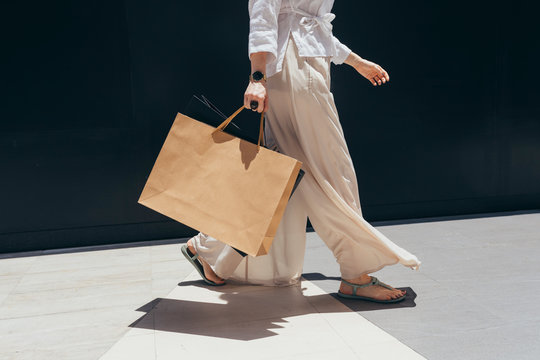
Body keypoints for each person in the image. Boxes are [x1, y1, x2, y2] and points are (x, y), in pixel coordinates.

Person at [181, 0, 421, 303]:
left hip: (307, 67)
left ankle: (208, 247)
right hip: (293, 71)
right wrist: (257, 78)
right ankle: (356, 275)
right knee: (332, 173)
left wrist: (355, 61)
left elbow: (310, 25)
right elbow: (264, 17)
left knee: (286, 178)